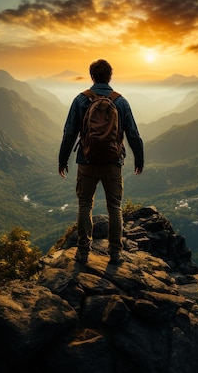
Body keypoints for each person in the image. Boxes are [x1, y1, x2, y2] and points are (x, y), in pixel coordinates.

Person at [58, 59, 144, 265]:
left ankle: (82, 252)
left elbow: (69, 132)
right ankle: (115, 253)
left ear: (92, 76)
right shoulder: (120, 102)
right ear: (110, 76)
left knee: (85, 205)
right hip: (113, 163)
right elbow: (132, 133)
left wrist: (62, 160)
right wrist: (139, 157)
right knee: (114, 207)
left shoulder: (81, 100)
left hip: (86, 162)